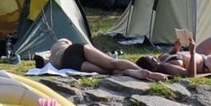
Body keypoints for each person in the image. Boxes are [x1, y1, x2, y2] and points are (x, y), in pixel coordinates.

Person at [34, 37, 171, 82]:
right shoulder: (61, 43)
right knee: (112, 63)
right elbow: (70, 43)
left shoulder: (52, 61)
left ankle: (132, 73)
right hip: (76, 50)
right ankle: (143, 71)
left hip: (70, 64)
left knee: (107, 71)